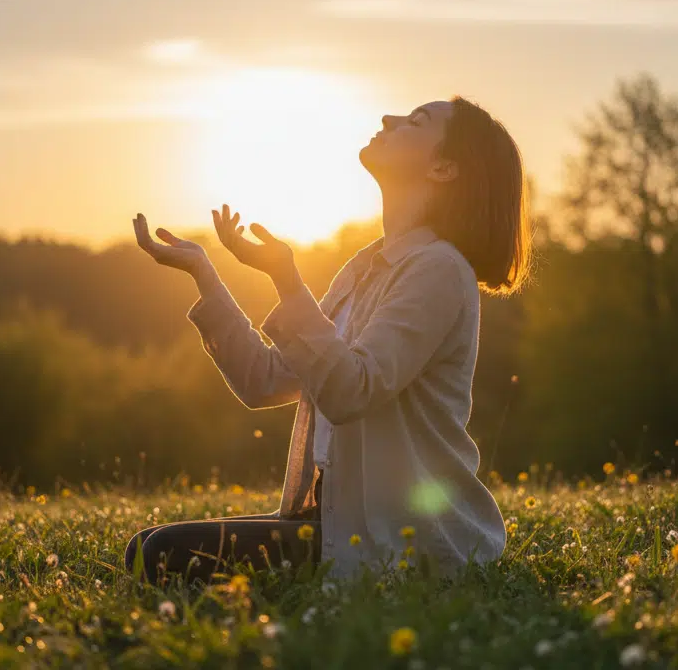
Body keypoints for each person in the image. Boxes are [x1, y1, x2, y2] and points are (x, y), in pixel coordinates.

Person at [128, 97, 531, 585]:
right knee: (144, 546)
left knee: (162, 554)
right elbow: (266, 382)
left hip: (403, 539)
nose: (389, 119)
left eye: (416, 121)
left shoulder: (438, 270)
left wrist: (287, 280)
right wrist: (204, 273)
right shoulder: (365, 266)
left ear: (444, 167)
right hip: (338, 522)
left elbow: (350, 391)